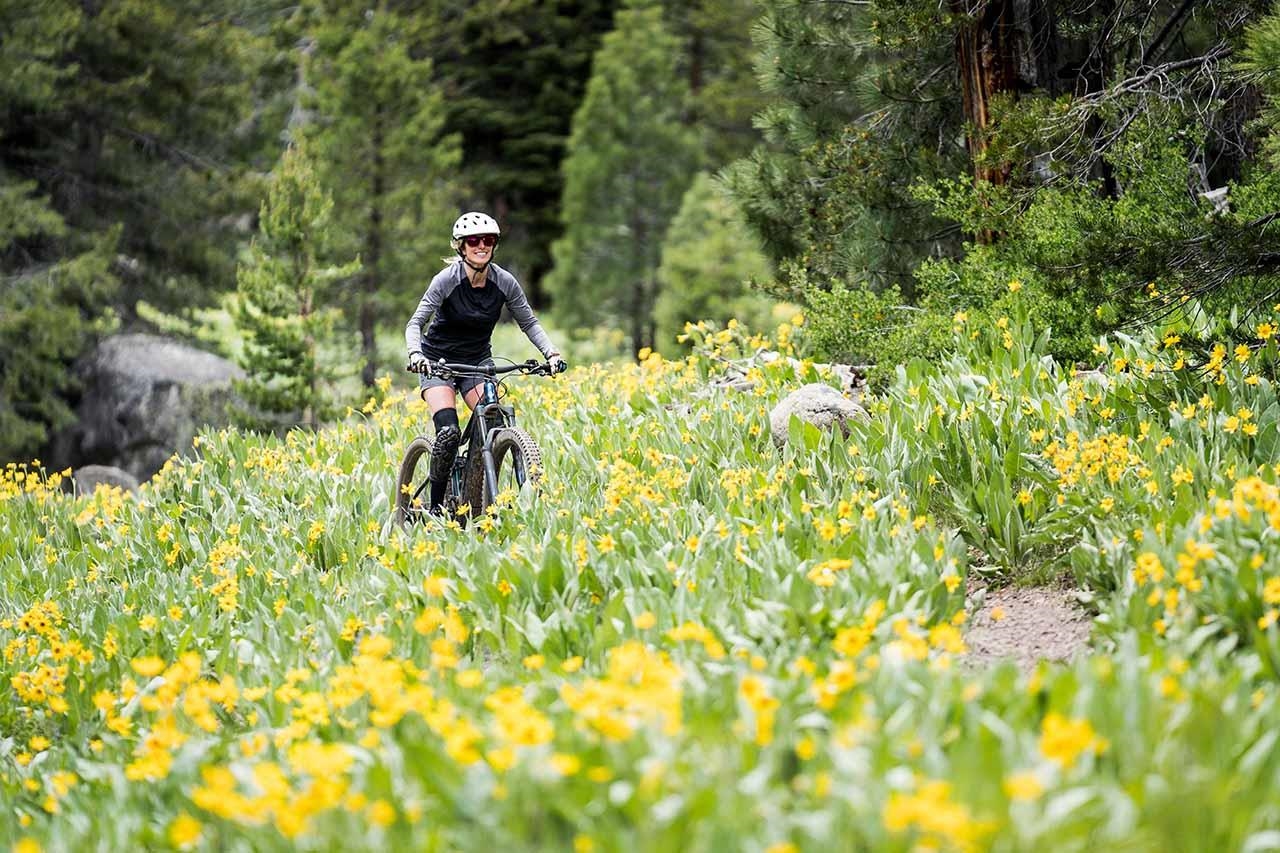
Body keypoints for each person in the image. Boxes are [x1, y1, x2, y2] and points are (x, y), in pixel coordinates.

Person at [405, 211, 565, 514]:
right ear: (461, 247)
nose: (482, 246)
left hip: (477, 362)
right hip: (439, 363)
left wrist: (552, 354)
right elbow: (415, 324)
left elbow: (529, 322)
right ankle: (437, 507)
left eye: (488, 240)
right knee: (449, 434)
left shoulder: (504, 282)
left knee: (493, 417)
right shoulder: (446, 281)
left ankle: (495, 495)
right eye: (474, 241)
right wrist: (417, 355)